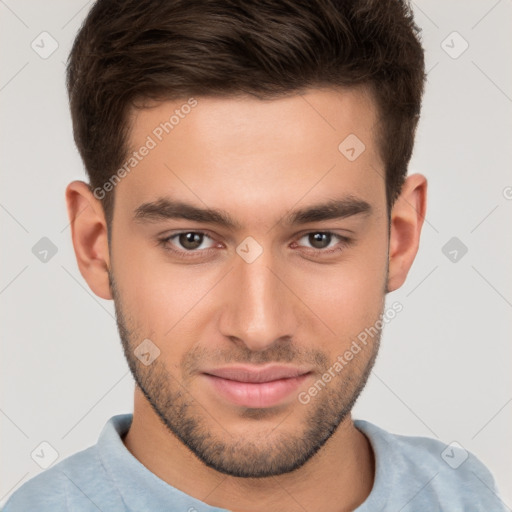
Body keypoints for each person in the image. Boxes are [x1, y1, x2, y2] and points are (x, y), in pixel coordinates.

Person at [4, 0, 507, 510]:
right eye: (191, 240)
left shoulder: (469, 497)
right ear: (95, 245)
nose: (259, 326)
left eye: (319, 239)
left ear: (399, 238)